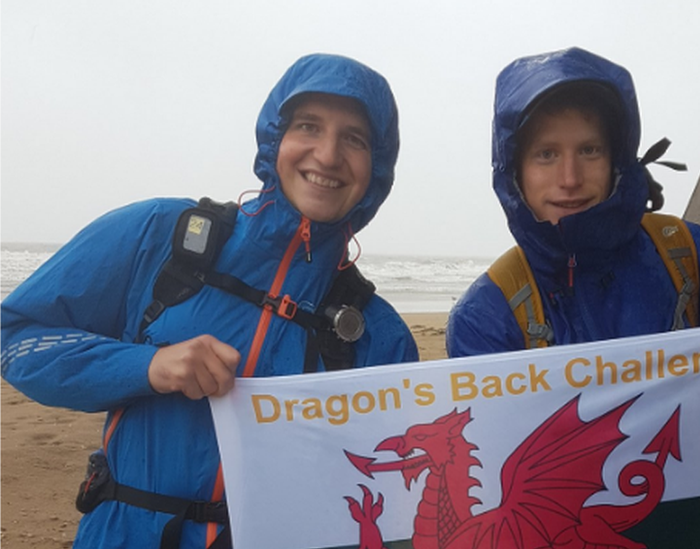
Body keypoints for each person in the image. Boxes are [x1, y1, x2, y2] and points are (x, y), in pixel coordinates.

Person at [0, 53, 418, 548]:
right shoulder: (157, 235)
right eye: (309, 126)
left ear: (379, 166)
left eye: (355, 139)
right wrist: (148, 366)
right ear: (275, 138)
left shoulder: (378, 332)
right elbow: (16, 337)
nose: (327, 155)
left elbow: (392, 499)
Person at [447, 47, 700, 404]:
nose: (569, 178)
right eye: (546, 154)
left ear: (617, 159)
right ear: (514, 171)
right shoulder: (485, 316)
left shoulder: (690, 255)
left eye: (589, 150)